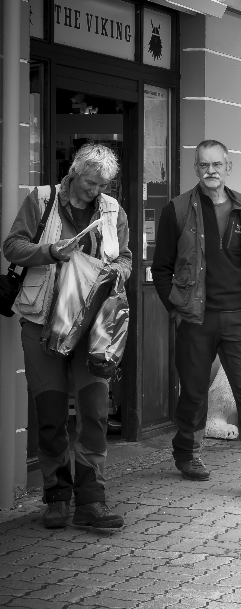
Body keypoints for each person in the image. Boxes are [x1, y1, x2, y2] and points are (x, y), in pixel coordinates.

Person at [2, 143, 132, 529]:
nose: (95, 191)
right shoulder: (42, 200)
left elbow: (125, 257)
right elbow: (12, 246)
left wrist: (119, 271)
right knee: (51, 414)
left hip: (92, 327)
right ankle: (56, 496)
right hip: (42, 323)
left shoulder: (113, 211)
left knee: (93, 413)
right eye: (90, 182)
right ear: (74, 172)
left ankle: (92, 500)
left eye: (103, 184)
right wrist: (49, 251)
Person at [153, 139, 241, 496]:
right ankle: (188, 451)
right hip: (196, 318)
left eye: (217, 165)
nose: (211, 171)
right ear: (196, 168)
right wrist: (176, 310)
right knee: (193, 392)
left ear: (228, 167)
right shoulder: (176, 211)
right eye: (204, 165)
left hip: (239, 318)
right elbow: (161, 269)